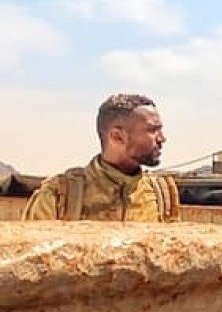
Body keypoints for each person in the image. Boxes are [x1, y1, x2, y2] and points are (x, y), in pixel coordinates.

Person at [21, 93, 179, 222]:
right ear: (117, 136)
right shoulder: (59, 194)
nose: (162, 138)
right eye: (152, 130)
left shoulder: (162, 194)